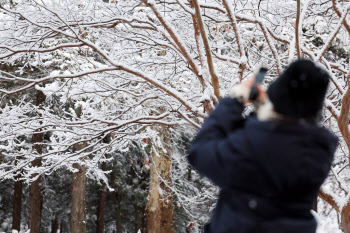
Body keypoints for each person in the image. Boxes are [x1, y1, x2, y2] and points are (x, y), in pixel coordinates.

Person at [188, 60, 338, 233]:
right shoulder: (318, 150)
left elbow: (200, 152)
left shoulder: (256, 145)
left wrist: (234, 100)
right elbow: (272, 142)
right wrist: (262, 114)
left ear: (279, 94)